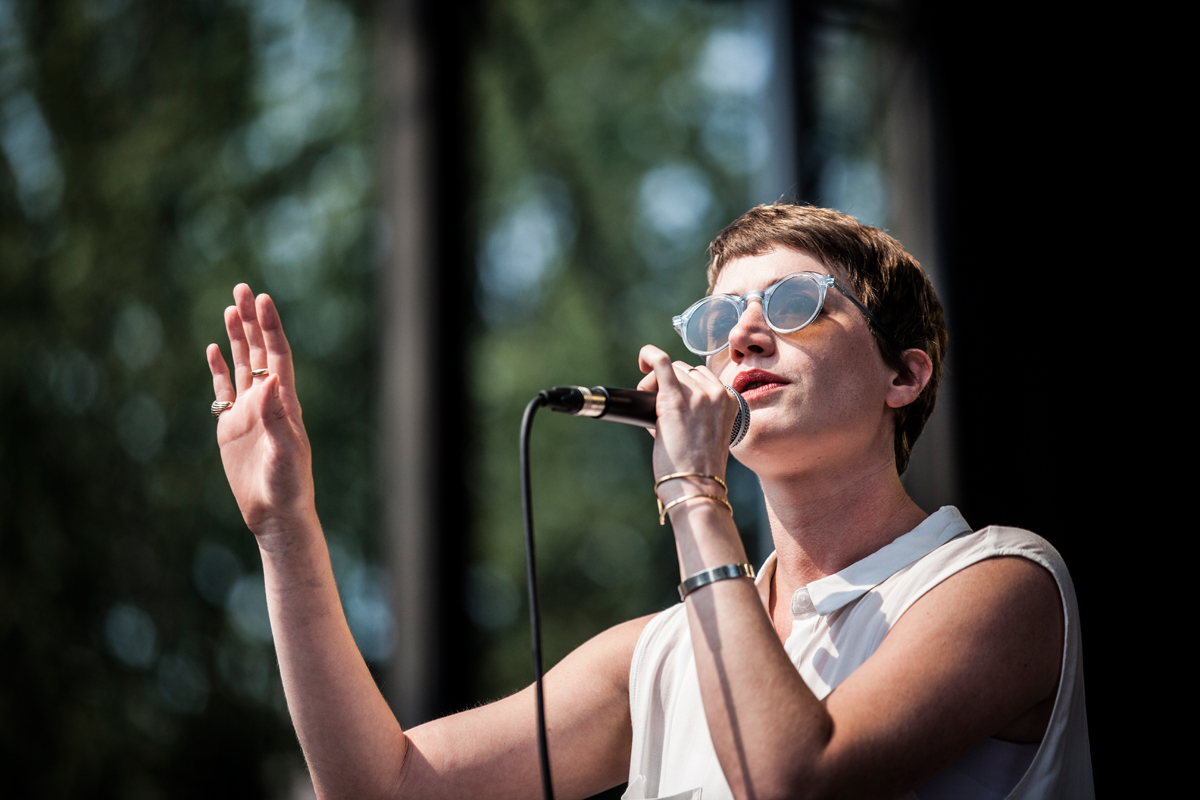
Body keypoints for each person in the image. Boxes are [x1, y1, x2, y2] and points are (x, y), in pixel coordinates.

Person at [207, 203, 1092, 800]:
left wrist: (694, 491)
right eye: (717, 321)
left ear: (904, 375)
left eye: (793, 304)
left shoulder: (999, 582)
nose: (744, 332)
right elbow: (386, 785)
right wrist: (285, 530)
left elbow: (793, 778)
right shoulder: (662, 653)